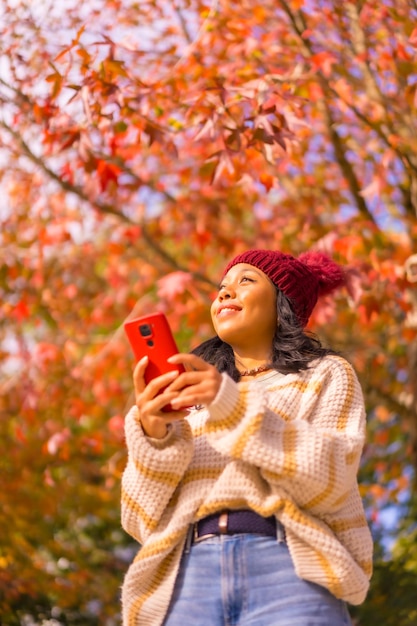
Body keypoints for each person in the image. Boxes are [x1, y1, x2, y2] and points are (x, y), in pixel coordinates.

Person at [120, 249, 373, 626]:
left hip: (289, 568)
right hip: (187, 581)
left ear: (282, 304)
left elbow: (332, 480)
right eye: (221, 288)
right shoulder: (190, 396)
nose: (224, 293)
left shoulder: (325, 374)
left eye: (245, 281)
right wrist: (155, 436)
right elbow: (139, 520)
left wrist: (229, 405)